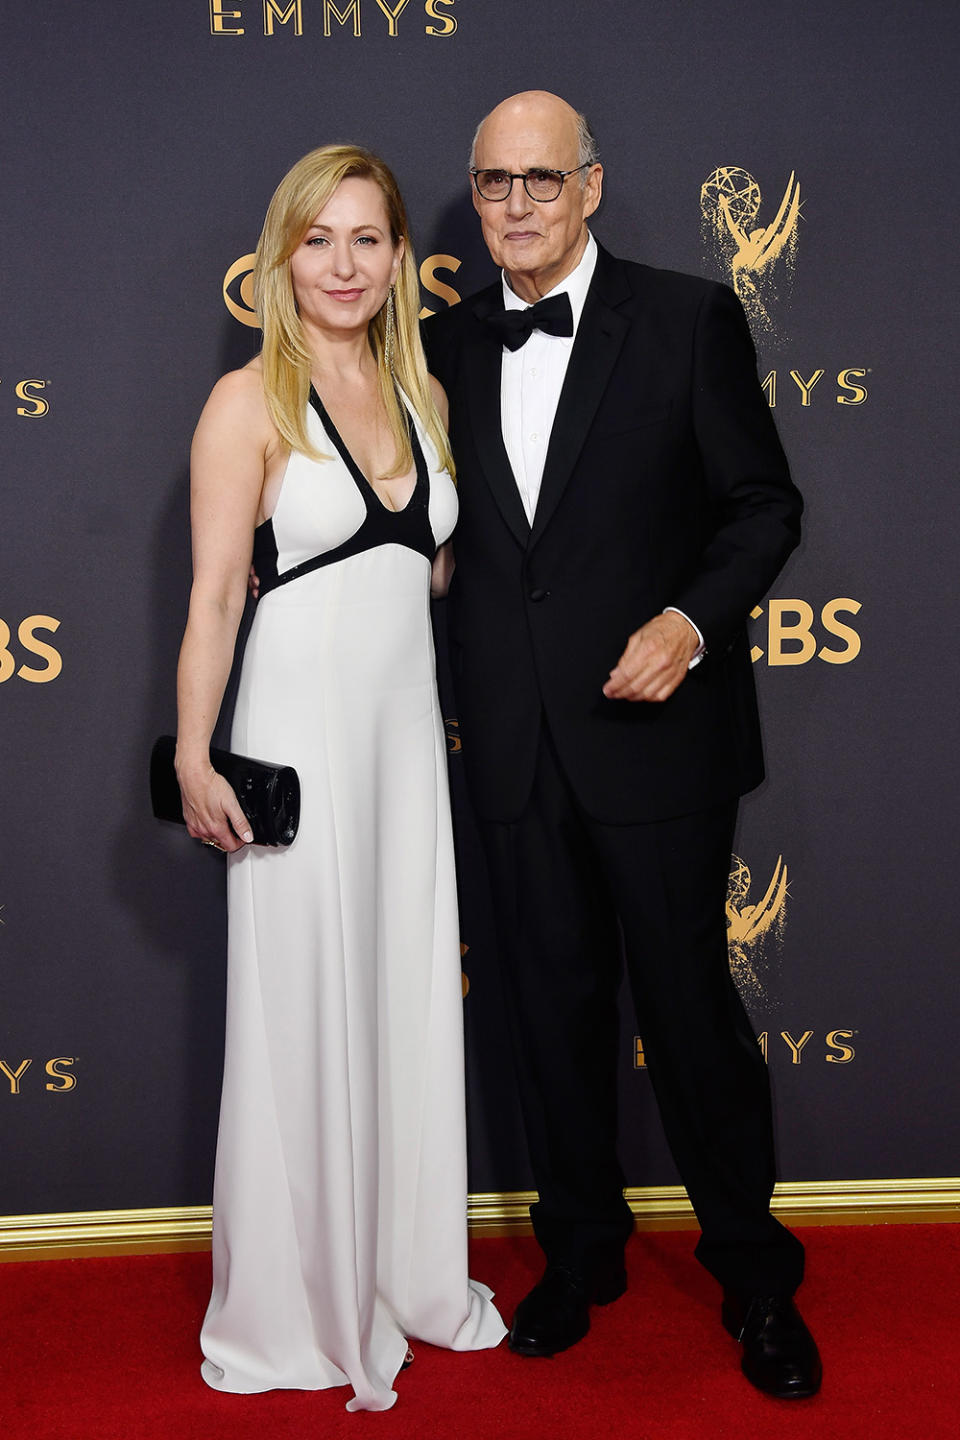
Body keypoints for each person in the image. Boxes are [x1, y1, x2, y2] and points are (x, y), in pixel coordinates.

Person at [423, 92, 821, 1398]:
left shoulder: (688, 316)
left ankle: (756, 1279)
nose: (519, 204)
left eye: (543, 178)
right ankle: (578, 1255)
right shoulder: (439, 343)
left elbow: (763, 508)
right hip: (516, 747)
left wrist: (691, 622)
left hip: (657, 744)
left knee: (694, 1019)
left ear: (591, 186)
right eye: (495, 183)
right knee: (549, 1013)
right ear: (474, 198)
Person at [174, 143, 505, 1413]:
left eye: (369, 239)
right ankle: (297, 1309)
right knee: (303, 1010)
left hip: (402, 744)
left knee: (398, 999)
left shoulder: (422, 398)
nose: (346, 265)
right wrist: (199, 751)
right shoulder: (244, 404)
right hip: (299, 738)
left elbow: (421, 574)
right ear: (280, 257)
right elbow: (212, 597)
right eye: (320, 240)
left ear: (399, 258)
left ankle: (404, 1274)